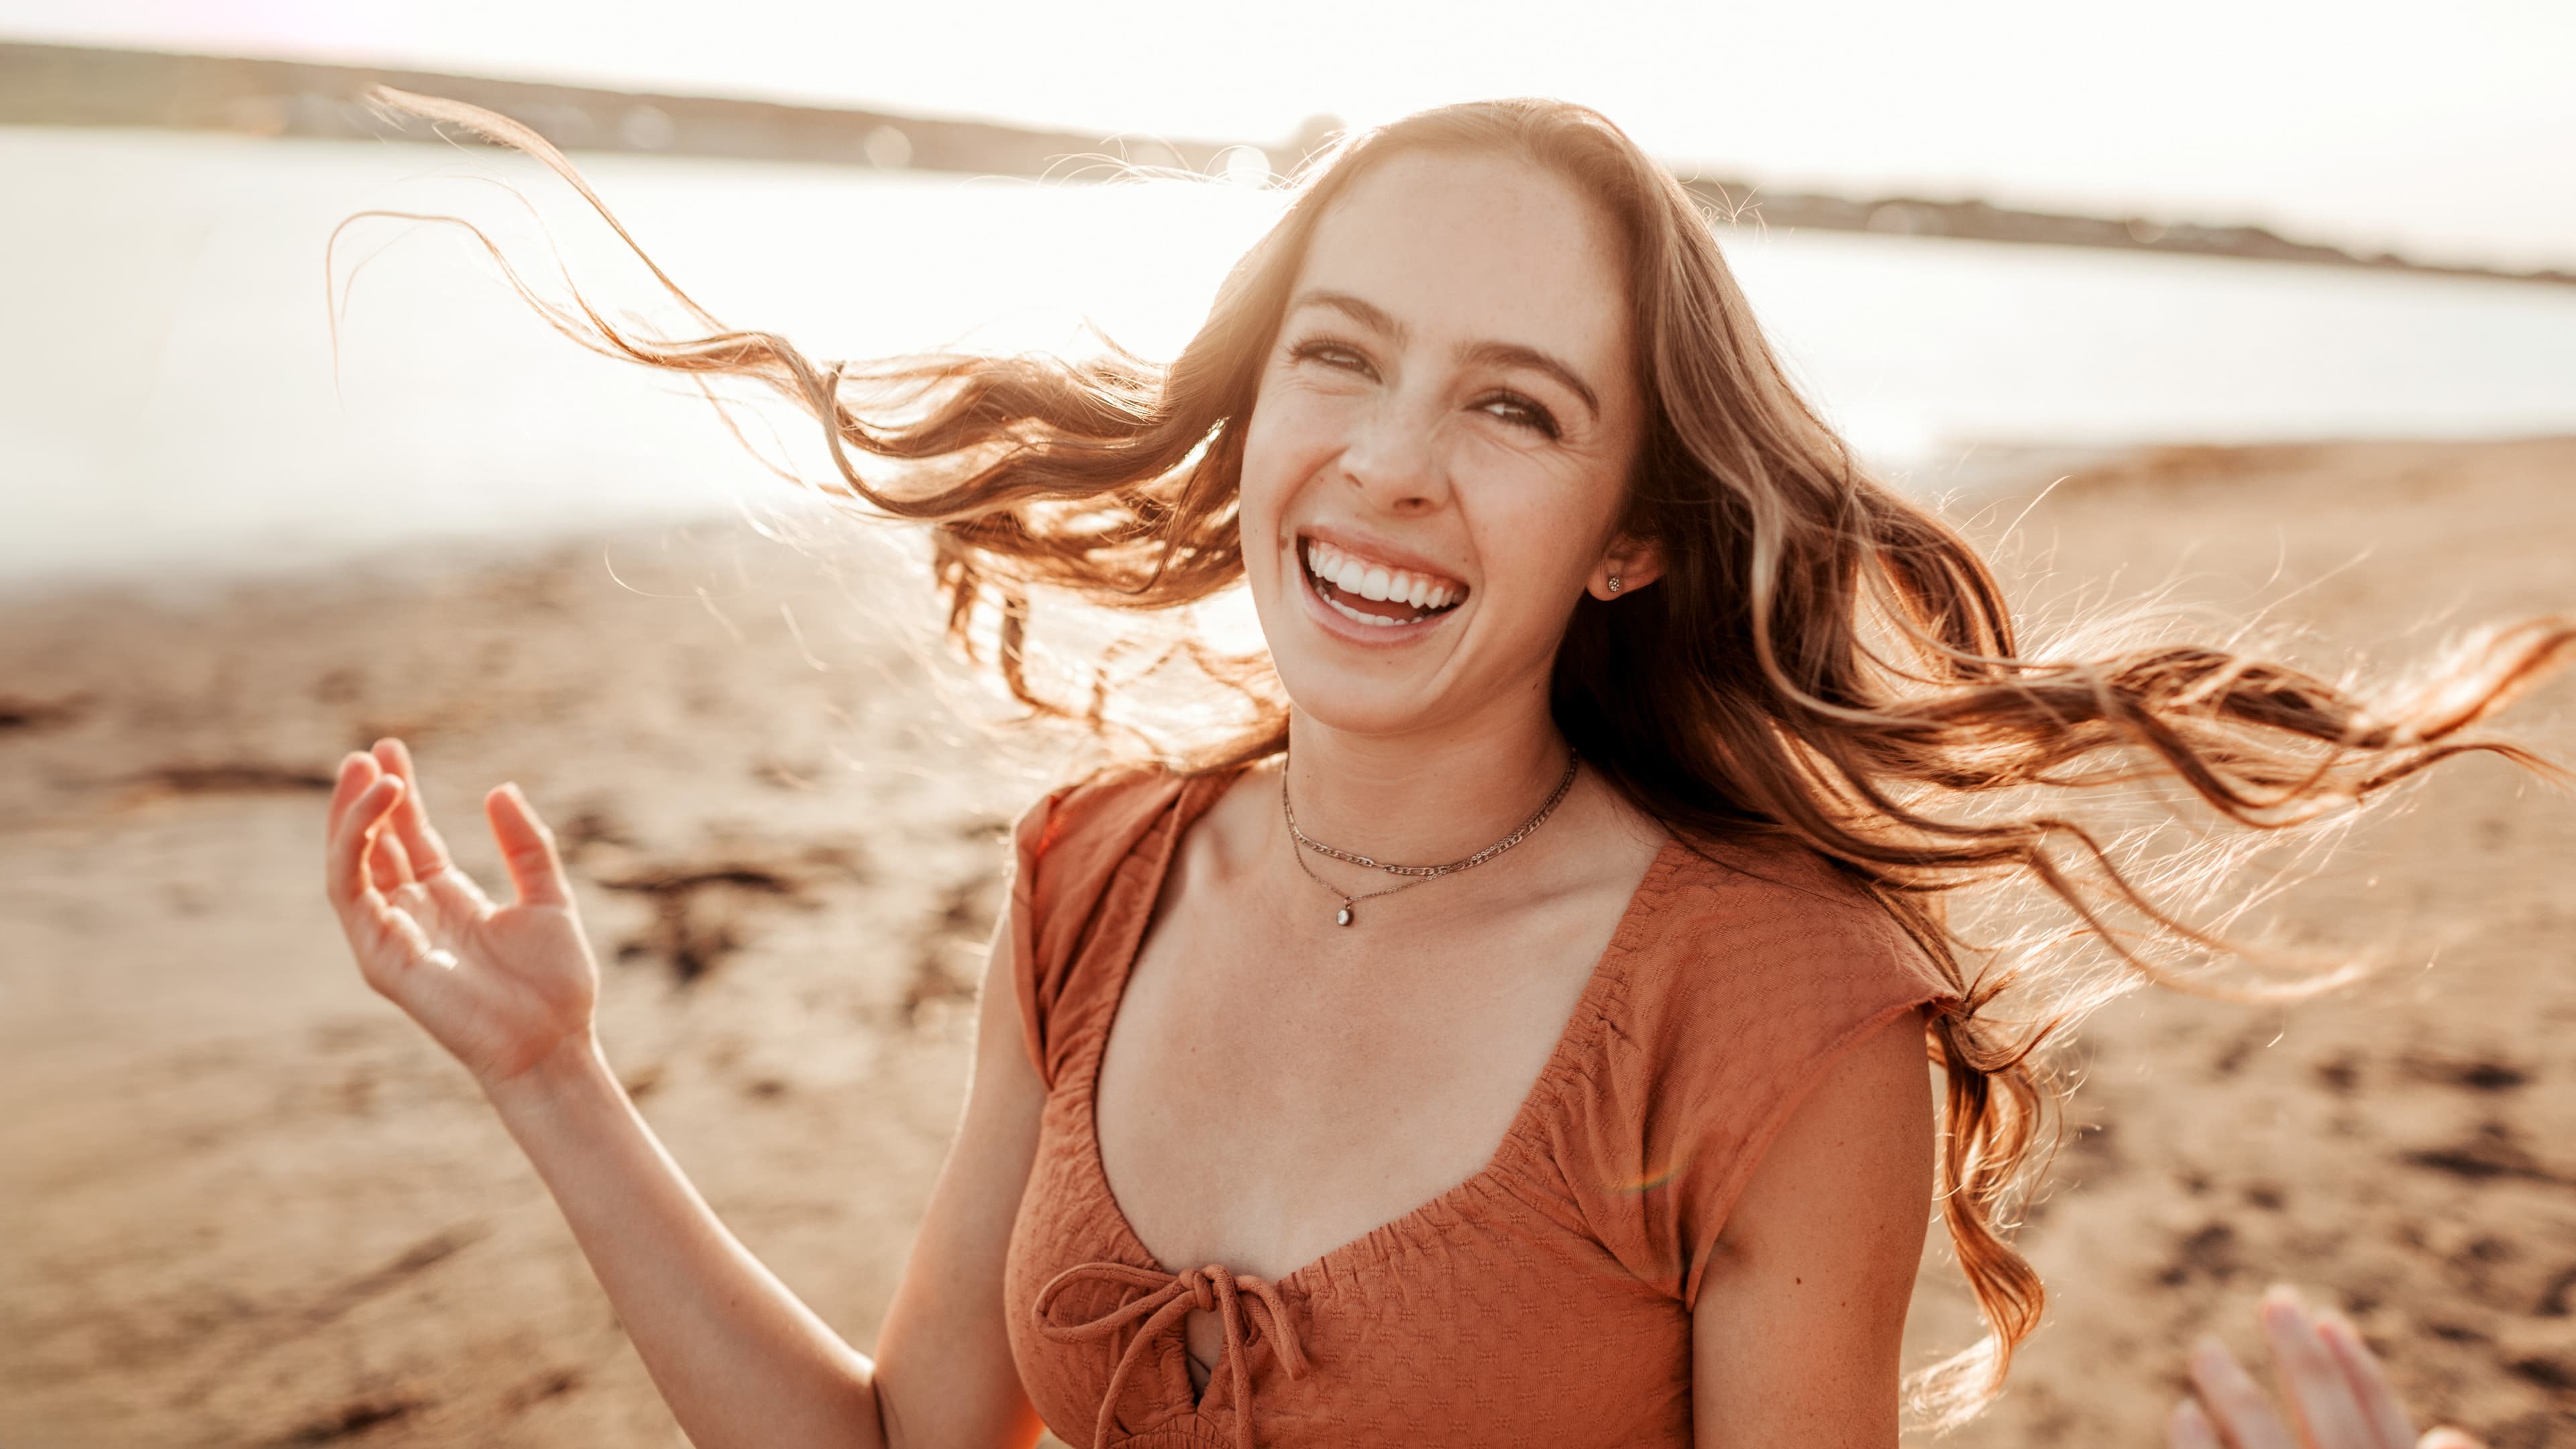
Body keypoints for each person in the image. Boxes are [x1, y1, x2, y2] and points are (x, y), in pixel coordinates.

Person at [322, 96, 2569, 1446]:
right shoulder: (1094, 874)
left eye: (1513, 405)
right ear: (1260, 408)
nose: (1390, 467)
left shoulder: (1772, 1012)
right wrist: (554, 1078)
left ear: (1628, 535)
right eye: (1343, 360)